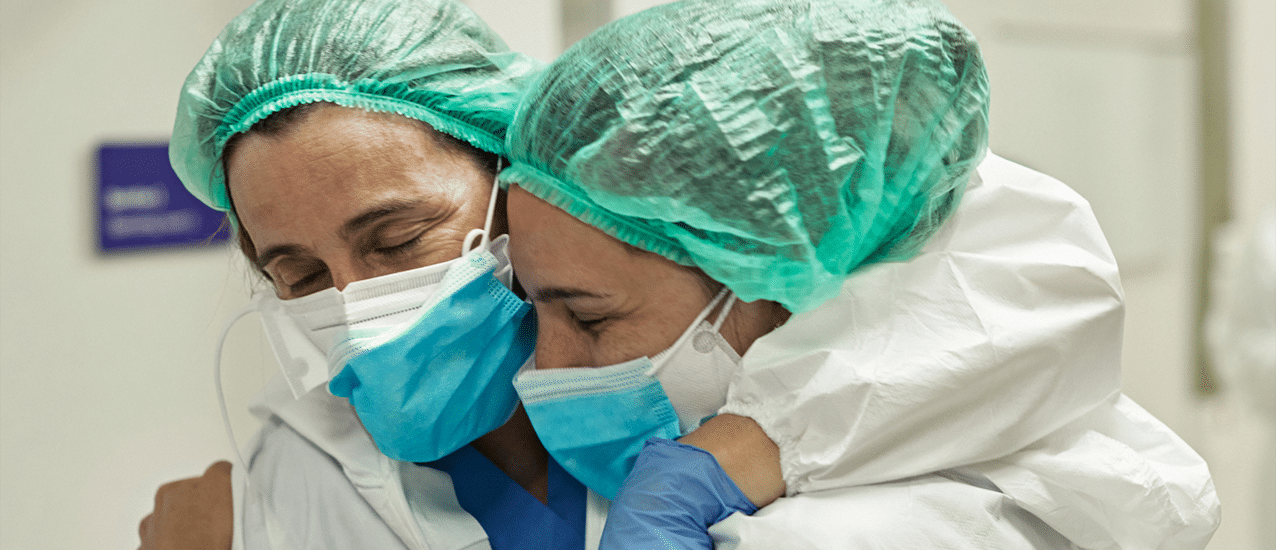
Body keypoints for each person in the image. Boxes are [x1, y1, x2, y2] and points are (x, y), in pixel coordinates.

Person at [498, 0, 1222, 548]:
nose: (545, 368)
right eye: (532, 310)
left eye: (590, 317)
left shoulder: (874, 529)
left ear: (780, 277)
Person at [141, 0, 606, 548]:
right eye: (303, 274)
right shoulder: (270, 500)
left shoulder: (696, 395)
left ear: (514, 186)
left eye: (397, 240)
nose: (354, 304)